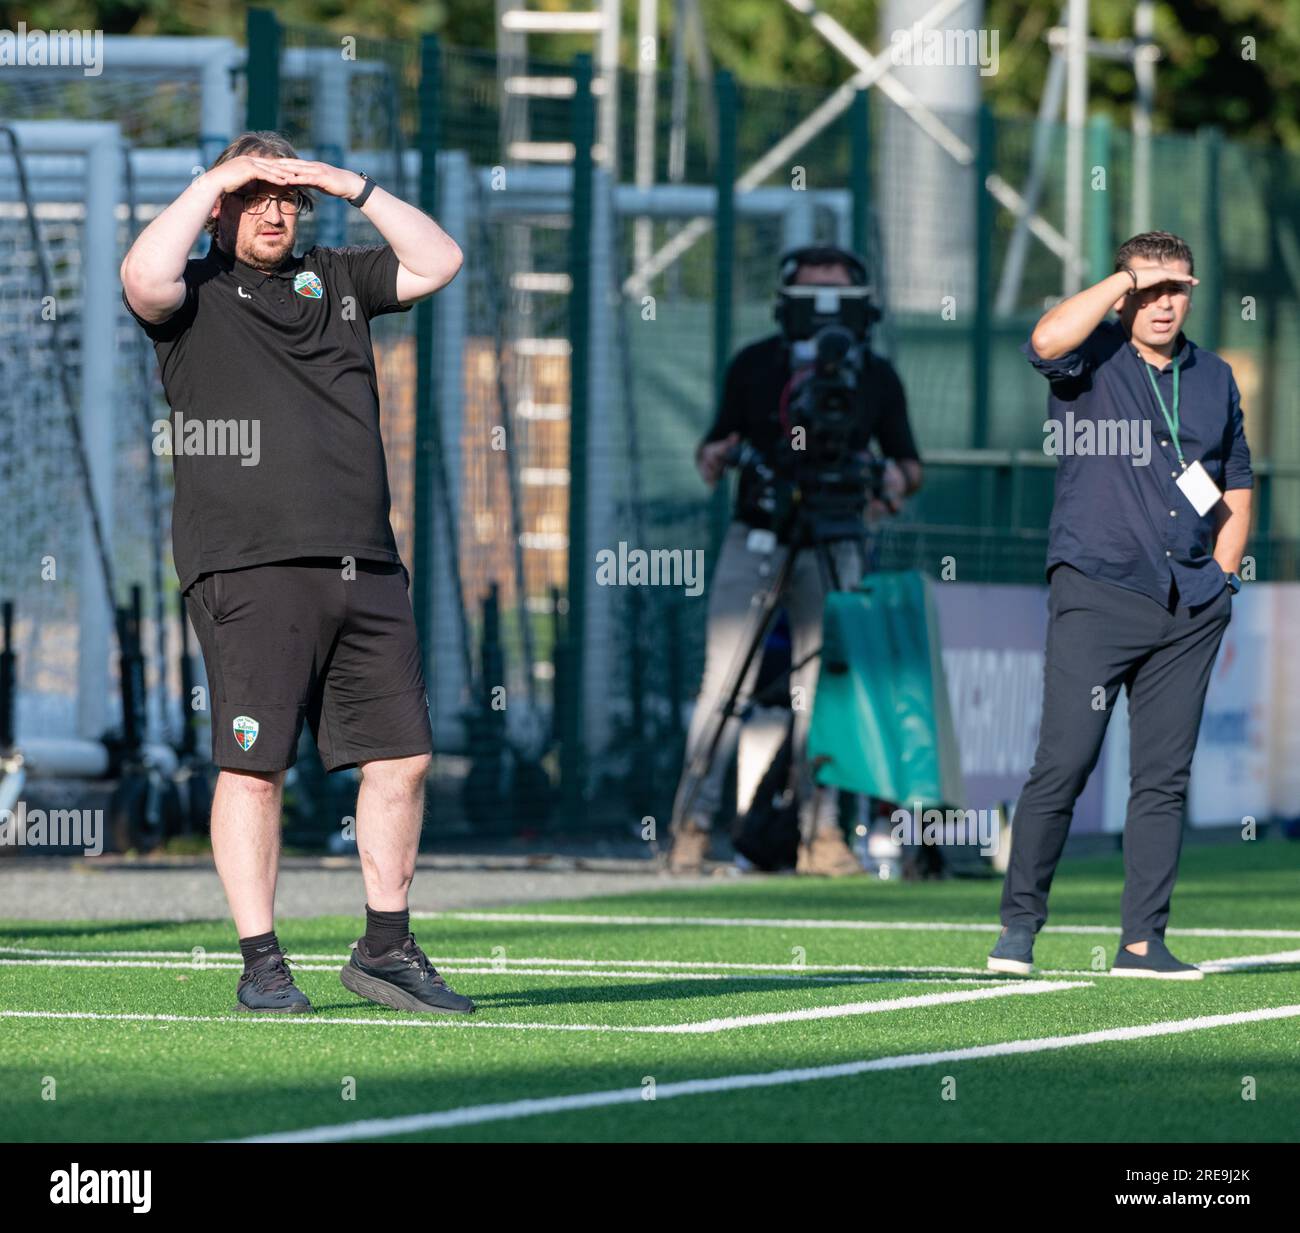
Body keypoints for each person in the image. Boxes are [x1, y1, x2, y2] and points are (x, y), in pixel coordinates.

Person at [121, 131, 474, 1014]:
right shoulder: (192, 292)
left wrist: (348, 182)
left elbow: (439, 260)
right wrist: (216, 179)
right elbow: (140, 275)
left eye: (286, 197)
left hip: (366, 559)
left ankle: (386, 947)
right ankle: (261, 961)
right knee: (254, 764)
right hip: (246, 563)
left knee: (403, 756)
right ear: (218, 210)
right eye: (255, 197)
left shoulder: (340, 277)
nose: (275, 210)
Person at [990, 231, 1252, 980]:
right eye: (1149, 288)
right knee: (1064, 762)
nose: (1164, 302)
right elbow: (1044, 339)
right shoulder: (1093, 355)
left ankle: (1142, 942)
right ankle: (1018, 929)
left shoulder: (1214, 375)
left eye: (1177, 289)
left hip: (1191, 603)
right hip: (1100, 588)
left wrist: (1224, 577)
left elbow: (1235, 478)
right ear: (1124, 289)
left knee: (1163, 778)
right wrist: (1119, 281)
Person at [667, 246, 924, 876]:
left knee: (826, 690)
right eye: (810, 299)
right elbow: (714, 448)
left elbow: (908, 465)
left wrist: (887, 482)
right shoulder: (756, 365)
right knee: (723, 685)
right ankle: (690, 829)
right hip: (759, 530)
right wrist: (722, 456)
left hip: (836, 536)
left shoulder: (877, 376)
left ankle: (822, 833)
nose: (823, 316)